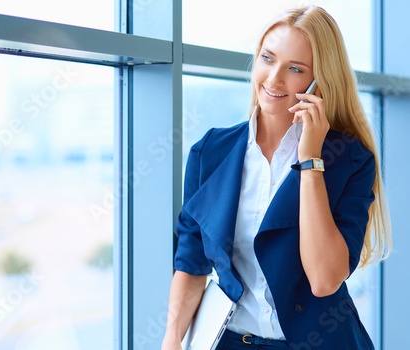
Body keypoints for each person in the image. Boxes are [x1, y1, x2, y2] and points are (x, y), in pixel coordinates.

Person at [161, 5, 391, 350]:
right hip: (231, 342)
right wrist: (171, 340)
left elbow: (325, 280)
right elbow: (192, 265)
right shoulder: (209, 152)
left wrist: (311, 161)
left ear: (319, 83)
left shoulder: (350, 160)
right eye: (268, 59)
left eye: (295, 69)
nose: (274, 79)